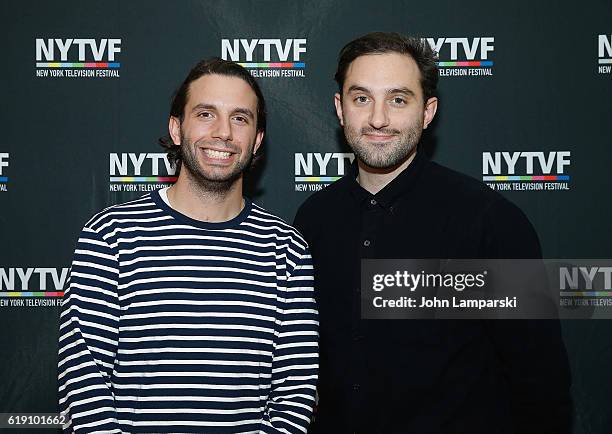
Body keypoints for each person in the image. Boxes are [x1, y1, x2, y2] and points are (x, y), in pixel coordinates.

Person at [294, 32, 571, 434]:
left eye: (399, 99)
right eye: (361, 98)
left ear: (428, 111)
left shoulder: (488, 221)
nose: (378, 118)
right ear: (340, 109)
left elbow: (541, 382)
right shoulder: (313, 219)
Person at [58, 58, 318, 434]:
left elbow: (295, 394)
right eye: (206, 113)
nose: (224, 132)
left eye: (240, 118)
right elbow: (82, 386)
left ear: (257, 139)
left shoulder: (286, 248)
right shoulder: (110, 234)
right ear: (177, 129)